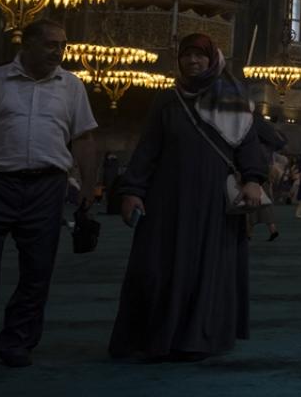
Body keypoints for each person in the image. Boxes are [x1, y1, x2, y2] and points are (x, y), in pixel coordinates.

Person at [0, 20, 98, 374]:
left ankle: (18, 341)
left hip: (46, 186)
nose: (59, 52)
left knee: (38, 269)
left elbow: (84, 138)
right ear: (27, 44)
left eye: (63, 45)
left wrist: (89, 184)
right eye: (51, 44)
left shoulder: (71, 86)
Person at [109, 33, 265, 361]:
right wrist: (132, 191)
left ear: (212, 59)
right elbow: (148, 148)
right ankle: (157, 338)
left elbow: (248, 144)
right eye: (186, 55)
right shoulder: (168, 99)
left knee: (207, 267)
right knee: (158, 266)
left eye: (200, 55)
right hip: (167, 197)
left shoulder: (234, 97)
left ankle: (196, 339)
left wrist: (253, 179)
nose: (192, 61)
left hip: (213, 200)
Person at [248, 116, 284, 242]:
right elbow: (282, 142)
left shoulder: (256, 144)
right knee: (264, 203)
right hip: (266, 172)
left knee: (251, 204)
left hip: (256, 173)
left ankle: (249, 232)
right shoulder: (269, 145)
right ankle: (272, 229)